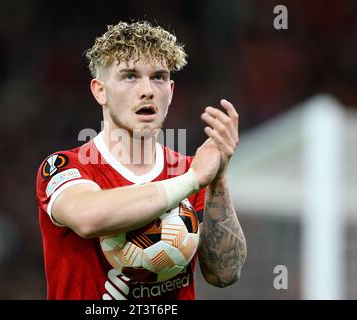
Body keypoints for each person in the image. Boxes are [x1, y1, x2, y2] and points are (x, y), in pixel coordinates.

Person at [36, 21, 246, 300]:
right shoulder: (67, 167)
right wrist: (193, 181)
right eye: (130, 76)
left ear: (170, 90)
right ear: (100, 91)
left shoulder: (190, 171)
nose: (147, 90)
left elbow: (223, 274)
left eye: (158, 77)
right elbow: (88, 218)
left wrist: (217, 178)